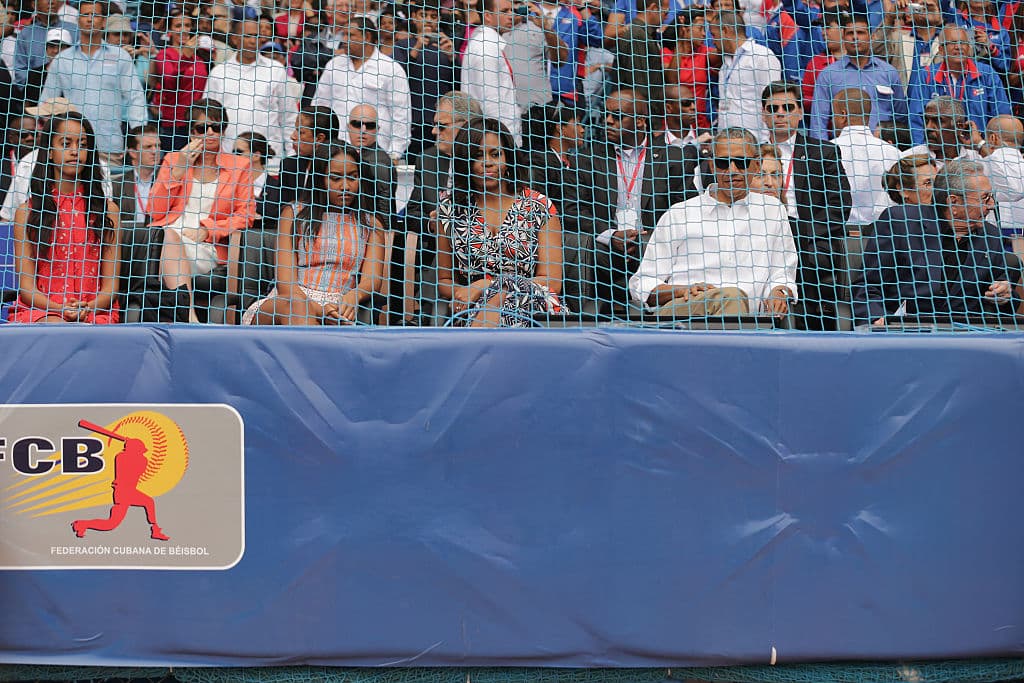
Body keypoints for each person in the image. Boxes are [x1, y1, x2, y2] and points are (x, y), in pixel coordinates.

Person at [629, 128, 799, 318]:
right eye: (722, 163)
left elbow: (782, 273)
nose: (732, 171)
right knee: (732, 299)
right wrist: (681, 290)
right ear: (711, 166)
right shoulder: (679, 214)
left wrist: (779, 292)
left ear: (757, 165)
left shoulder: (772, 211)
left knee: (733, 300)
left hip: (751, 323)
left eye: (742, 162)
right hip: (685, 319)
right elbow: (642, 284)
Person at [567, 88, 694, 312]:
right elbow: (572, 209)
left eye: (617, 116)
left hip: (655, 249)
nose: (607, 121)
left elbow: (687, 209)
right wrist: (611, 235)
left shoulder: (673, 157)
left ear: (639, 122)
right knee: (587, 249)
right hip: (604, 251)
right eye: (606, 114)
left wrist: (651, 239)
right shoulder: (586, 158)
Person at [435, 117, 565, 327]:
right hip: (473, 304)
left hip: (533, 305)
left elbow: (551, 282)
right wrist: (466, 292)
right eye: (477, 156)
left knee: (503, 302)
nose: (487, 162)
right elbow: (444, 281)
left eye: (495, 154)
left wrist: (489, 286)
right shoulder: (449, 209)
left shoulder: (539, 206)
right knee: (489, 305)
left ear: (508, 158)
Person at [855, 159, 1020, 323]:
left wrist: (1004, 295)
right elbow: (868, 286)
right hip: (906, 332)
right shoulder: (900, 222)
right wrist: (877, 319)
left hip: (967, 336)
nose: (991, 205)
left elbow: (1007, 302)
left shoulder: (991, 237)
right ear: (953, 201)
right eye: (984, 198)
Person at [243, 143, 387, 325]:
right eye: (335, 178)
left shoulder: (371, 224)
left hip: (338, 306)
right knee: (297, 306)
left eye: (353, 178)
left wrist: (353, 296)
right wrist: (320, 309)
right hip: (286, 302)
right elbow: (286, 286)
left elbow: (371, 280)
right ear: (320, 179)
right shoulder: (294, 214)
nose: (346, 186)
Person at [148, 99, 257, 323]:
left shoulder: (239, 166)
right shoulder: (172, 160)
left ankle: (184, 315)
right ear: (190, 132)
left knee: (167, 243)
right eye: (201, 128)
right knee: (167, 236)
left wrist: (208, 231)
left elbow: (245, 216)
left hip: (208, 245)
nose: (210, 133)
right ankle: (189, 316)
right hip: (169, 235)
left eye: (216, 127)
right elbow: (155, 212)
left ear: (224, 131)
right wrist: (178, 170)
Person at [9, 111, 121, 324]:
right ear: (50, 151)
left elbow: (110, 287)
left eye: (82, 144)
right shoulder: (28, 212)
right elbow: (26, 289)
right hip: (42, 310)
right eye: (66, 143)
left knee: (83, 329)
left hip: (94, 311)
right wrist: (61, 310)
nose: (75, 151)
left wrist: (86, 308)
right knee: (58, 327)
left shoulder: (108, 211)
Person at [760, 81, 851, 327]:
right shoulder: (751, 153)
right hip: (755, 235)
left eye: (787, 107)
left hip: (808, 240)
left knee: (809, 258)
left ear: (800, 113)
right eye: (772, 108)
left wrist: (800, 233)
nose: (779, 114)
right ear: (763, 114)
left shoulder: (822, 152)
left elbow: (839, 205)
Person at [39, 0, 148, 167]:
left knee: (109, 192)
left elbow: (136, 98)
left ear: (104, 21)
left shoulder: (121, 57)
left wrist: (139, 137)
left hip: (109, 147)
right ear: (78, 20)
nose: (90, 19)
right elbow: (46, 104)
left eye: (95, 15)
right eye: (85, 14)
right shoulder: (63, 59)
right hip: (72, 149)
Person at [312, 16, 413, 158]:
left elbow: (401, 115)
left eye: (350, 35)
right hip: (336, 151)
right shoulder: (333, 65)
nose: (344, 40)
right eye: (344, 35)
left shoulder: (390, 69)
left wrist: (394, 153)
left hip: (376, 153)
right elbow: (319, 107)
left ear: (366, 36)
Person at [1, 98, 114, 223]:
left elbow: (104, 208)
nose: (39, 127)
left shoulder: (99, 165)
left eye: (43, 121)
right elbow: (7, 216)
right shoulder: (27, 162)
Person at [204, 17, 299, 166]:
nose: (252, 41)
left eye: (256, 36)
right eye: (247, 36)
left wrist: (292, 155)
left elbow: (289, 117)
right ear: (235, 39)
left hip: (268, 159)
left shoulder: (275, 70)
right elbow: (207, 118)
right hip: (228, 158)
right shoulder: (219, 73)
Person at [907, 24, 1011, 145]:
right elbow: (916, 119)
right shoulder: (927, 75)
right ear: (941, 49)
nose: (958, 47)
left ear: (969, 47)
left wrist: (991, 151)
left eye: (963, 43)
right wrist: (924, 154)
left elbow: (1001, 116)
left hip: (979, 148)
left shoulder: (987, 74)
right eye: (952, 43)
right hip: (938, 150)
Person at [810, 11, 907, 140]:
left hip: (883, 150)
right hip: (843, 152)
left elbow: (901, 117)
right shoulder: (828, 75)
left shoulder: (889, 72)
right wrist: (825, 156)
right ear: (844, 38)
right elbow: (818, 122)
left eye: (860, 33)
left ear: (871, 37)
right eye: (850, 33)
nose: (855, 37)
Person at [392, 0, 457, 160]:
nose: (428, 20)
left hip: (441, 124)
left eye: (433, 16)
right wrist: (416, 48)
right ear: (413, 17)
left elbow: (458, 84)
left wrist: (453, 58)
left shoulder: (446, 46)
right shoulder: (402, 45)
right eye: (423, 15)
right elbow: (395, 75)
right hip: (412, 122)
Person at [830, 87, 901, 227]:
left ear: (843, 115)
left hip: (837, 232)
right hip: (883, 232)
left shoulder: (826, 150)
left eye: (834, 114)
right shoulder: (892, 152)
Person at [260, 105, 340, 225]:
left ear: (319, 138)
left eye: (300, 132)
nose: (293, 136)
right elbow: (281, 210)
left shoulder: (346, 167)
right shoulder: (290, 166)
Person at [711, 10, 782, 142]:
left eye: (714, 35)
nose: (713, 41)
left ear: (725, 30)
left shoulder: (762, 56)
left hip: (756, 143)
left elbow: (773, 101)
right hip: (727, 143)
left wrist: (767, 143)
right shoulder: (725, 65)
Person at [459, 0, 521, 142]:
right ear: (487, 16)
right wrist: (503, 142)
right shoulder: (486, 47)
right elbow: (491, 102)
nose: (511, 15)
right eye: (505, 11)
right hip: (494, 141)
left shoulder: (487, 43)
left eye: (512, 10)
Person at [151, 10, 209, 152]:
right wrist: (185, 57)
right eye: (178, 25)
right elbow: (170, 82)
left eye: (187, 25)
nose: (183, 29)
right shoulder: (164, 55)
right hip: (175, 125)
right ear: (170, 30)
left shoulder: (199, 59)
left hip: (198, 125)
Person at [503, 1, 568, 112]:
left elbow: (560, 61)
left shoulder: (537, 26)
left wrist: (546, 28)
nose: (514, 8)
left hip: (537, 109)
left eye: (518, 3)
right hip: (504, 108)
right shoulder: (491, 31)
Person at [608, 0, 670, 106]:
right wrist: (646, 117)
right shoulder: (637, 36)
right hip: (639, 114)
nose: (667, 17)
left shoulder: (646, 34)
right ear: (654, 8)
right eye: (666, 12)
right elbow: (639, 86)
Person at [870, 0, 942, 87]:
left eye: (930, 7)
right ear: (911, 12)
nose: (925, 8)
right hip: (903, 99)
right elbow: (874, 50)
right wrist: (889, 18)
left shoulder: (947, 42)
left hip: (936, 99)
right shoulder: (898, 39)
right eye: (920, 6)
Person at [346, 103, 397, 224]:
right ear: (348, 127)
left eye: (369, 126)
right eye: (357, 124)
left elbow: (384, 211)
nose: (363, 130)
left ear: (377, 129)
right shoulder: (348, 154)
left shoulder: (380, 163)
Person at [12, 0, 77, 89]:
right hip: (35, 94)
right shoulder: (26, 34)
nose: (52, 2)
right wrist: (34, 90)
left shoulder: (74, 31)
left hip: (69, 91)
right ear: (34, 4)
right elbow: (20, 70)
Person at [663, 9, 711, 129]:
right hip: (676, 126)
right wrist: (680, 42)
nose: (704, 34)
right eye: (700, 29)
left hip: (700, 125)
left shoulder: (704, 52)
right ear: (685, 28)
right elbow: (672, 81)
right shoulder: (667, 53)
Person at [112, 123, 162, 226]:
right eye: (148, 147)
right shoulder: (117, 186)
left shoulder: (168, 181)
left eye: (157, 145)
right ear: (133, 153)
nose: (155, 151)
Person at [802, 11, 845, 106]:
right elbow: (805, 99)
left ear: (843, 30)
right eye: (822, 28)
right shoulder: (815, 63)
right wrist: (825, 101)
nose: (823, 32)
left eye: (828, 27)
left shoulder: (861, 60)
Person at [955, 0, 1011, 72]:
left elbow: (1005, 66)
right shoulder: (956, 17)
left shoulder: (1001, 32)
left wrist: (991, 47)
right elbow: (942, 6)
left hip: (987, 80)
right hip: (959, 75)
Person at [0, 115, 37, 211]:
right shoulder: (2, 165)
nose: (30, 138)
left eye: (34, 134)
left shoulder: (48, 164)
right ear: (11, 139)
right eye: (23, 135)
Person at [233, 131, 276, 198]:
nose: (233, 157)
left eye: (238, 152)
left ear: (256, 155)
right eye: (233, 153)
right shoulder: (228, 184)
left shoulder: (278, 189)